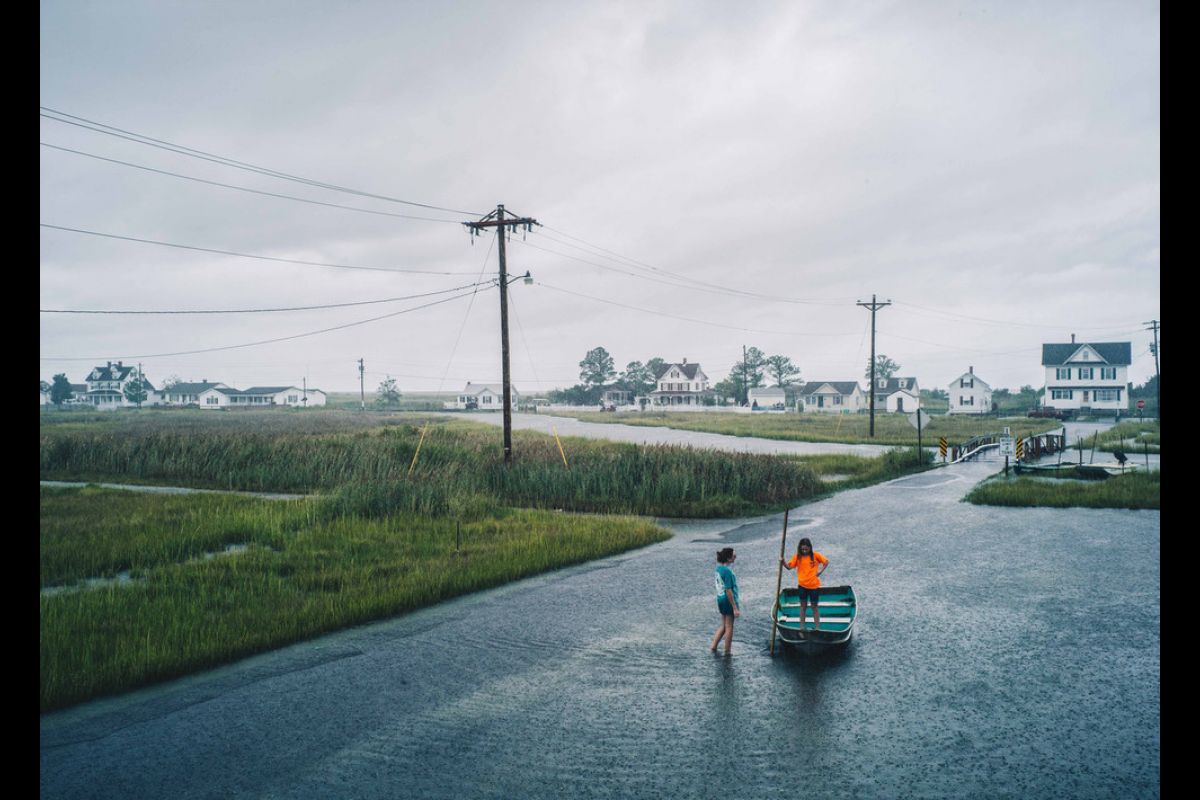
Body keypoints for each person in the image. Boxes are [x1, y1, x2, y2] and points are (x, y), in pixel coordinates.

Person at [782, 538, 828, 633]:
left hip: (814, 586)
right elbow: (789, 567)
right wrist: (783, 562)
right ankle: (802, 627)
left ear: (810, 548)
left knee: (814, 607)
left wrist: (820, 572)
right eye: (802, 549)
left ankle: (817, 627)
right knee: (803, 607)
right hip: (802, 586)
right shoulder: (797, 557)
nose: (804, 551)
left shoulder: (816, 555)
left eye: (806, 549)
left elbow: (826, 562)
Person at [710, 547, 740, 654]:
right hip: (728, 600)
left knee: (723, 625)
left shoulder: (718, 569)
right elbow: (728, 590)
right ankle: (727, 652)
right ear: (728, 558)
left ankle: (713, 647)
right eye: (733, 555)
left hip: (720, 599)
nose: (735, 556)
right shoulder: (727, 571)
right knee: (729, 626)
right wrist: (735, 608)